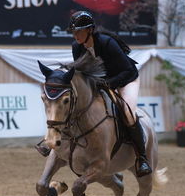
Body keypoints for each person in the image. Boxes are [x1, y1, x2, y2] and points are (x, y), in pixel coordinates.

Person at [36, 10, 152, 177]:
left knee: (127, 113)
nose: (75, 35)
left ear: (89, 30)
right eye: (73, 32)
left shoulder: (107, 43)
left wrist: (109, 84)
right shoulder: (77, 46)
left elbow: (127, 71)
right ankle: (52, 140)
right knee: (74, 106)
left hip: (126, 80)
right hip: (101, 82)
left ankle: (141, 158)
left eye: (78, 31)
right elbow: (82, 72)